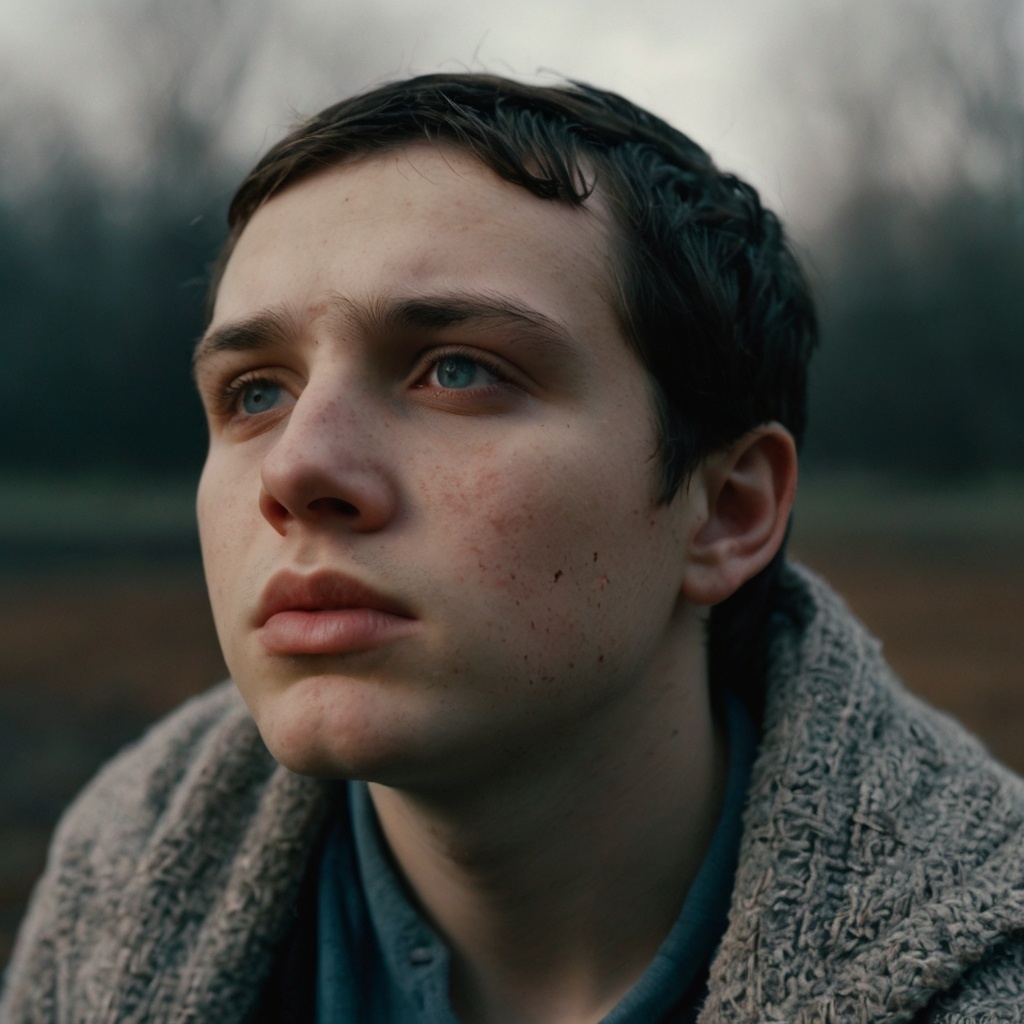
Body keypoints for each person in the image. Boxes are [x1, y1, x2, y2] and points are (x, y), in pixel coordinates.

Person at [3, 73, 1023, 1024]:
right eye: (255, 392)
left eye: (457, 370)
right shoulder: (116, 886)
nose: (295, 468)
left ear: (725, 512)